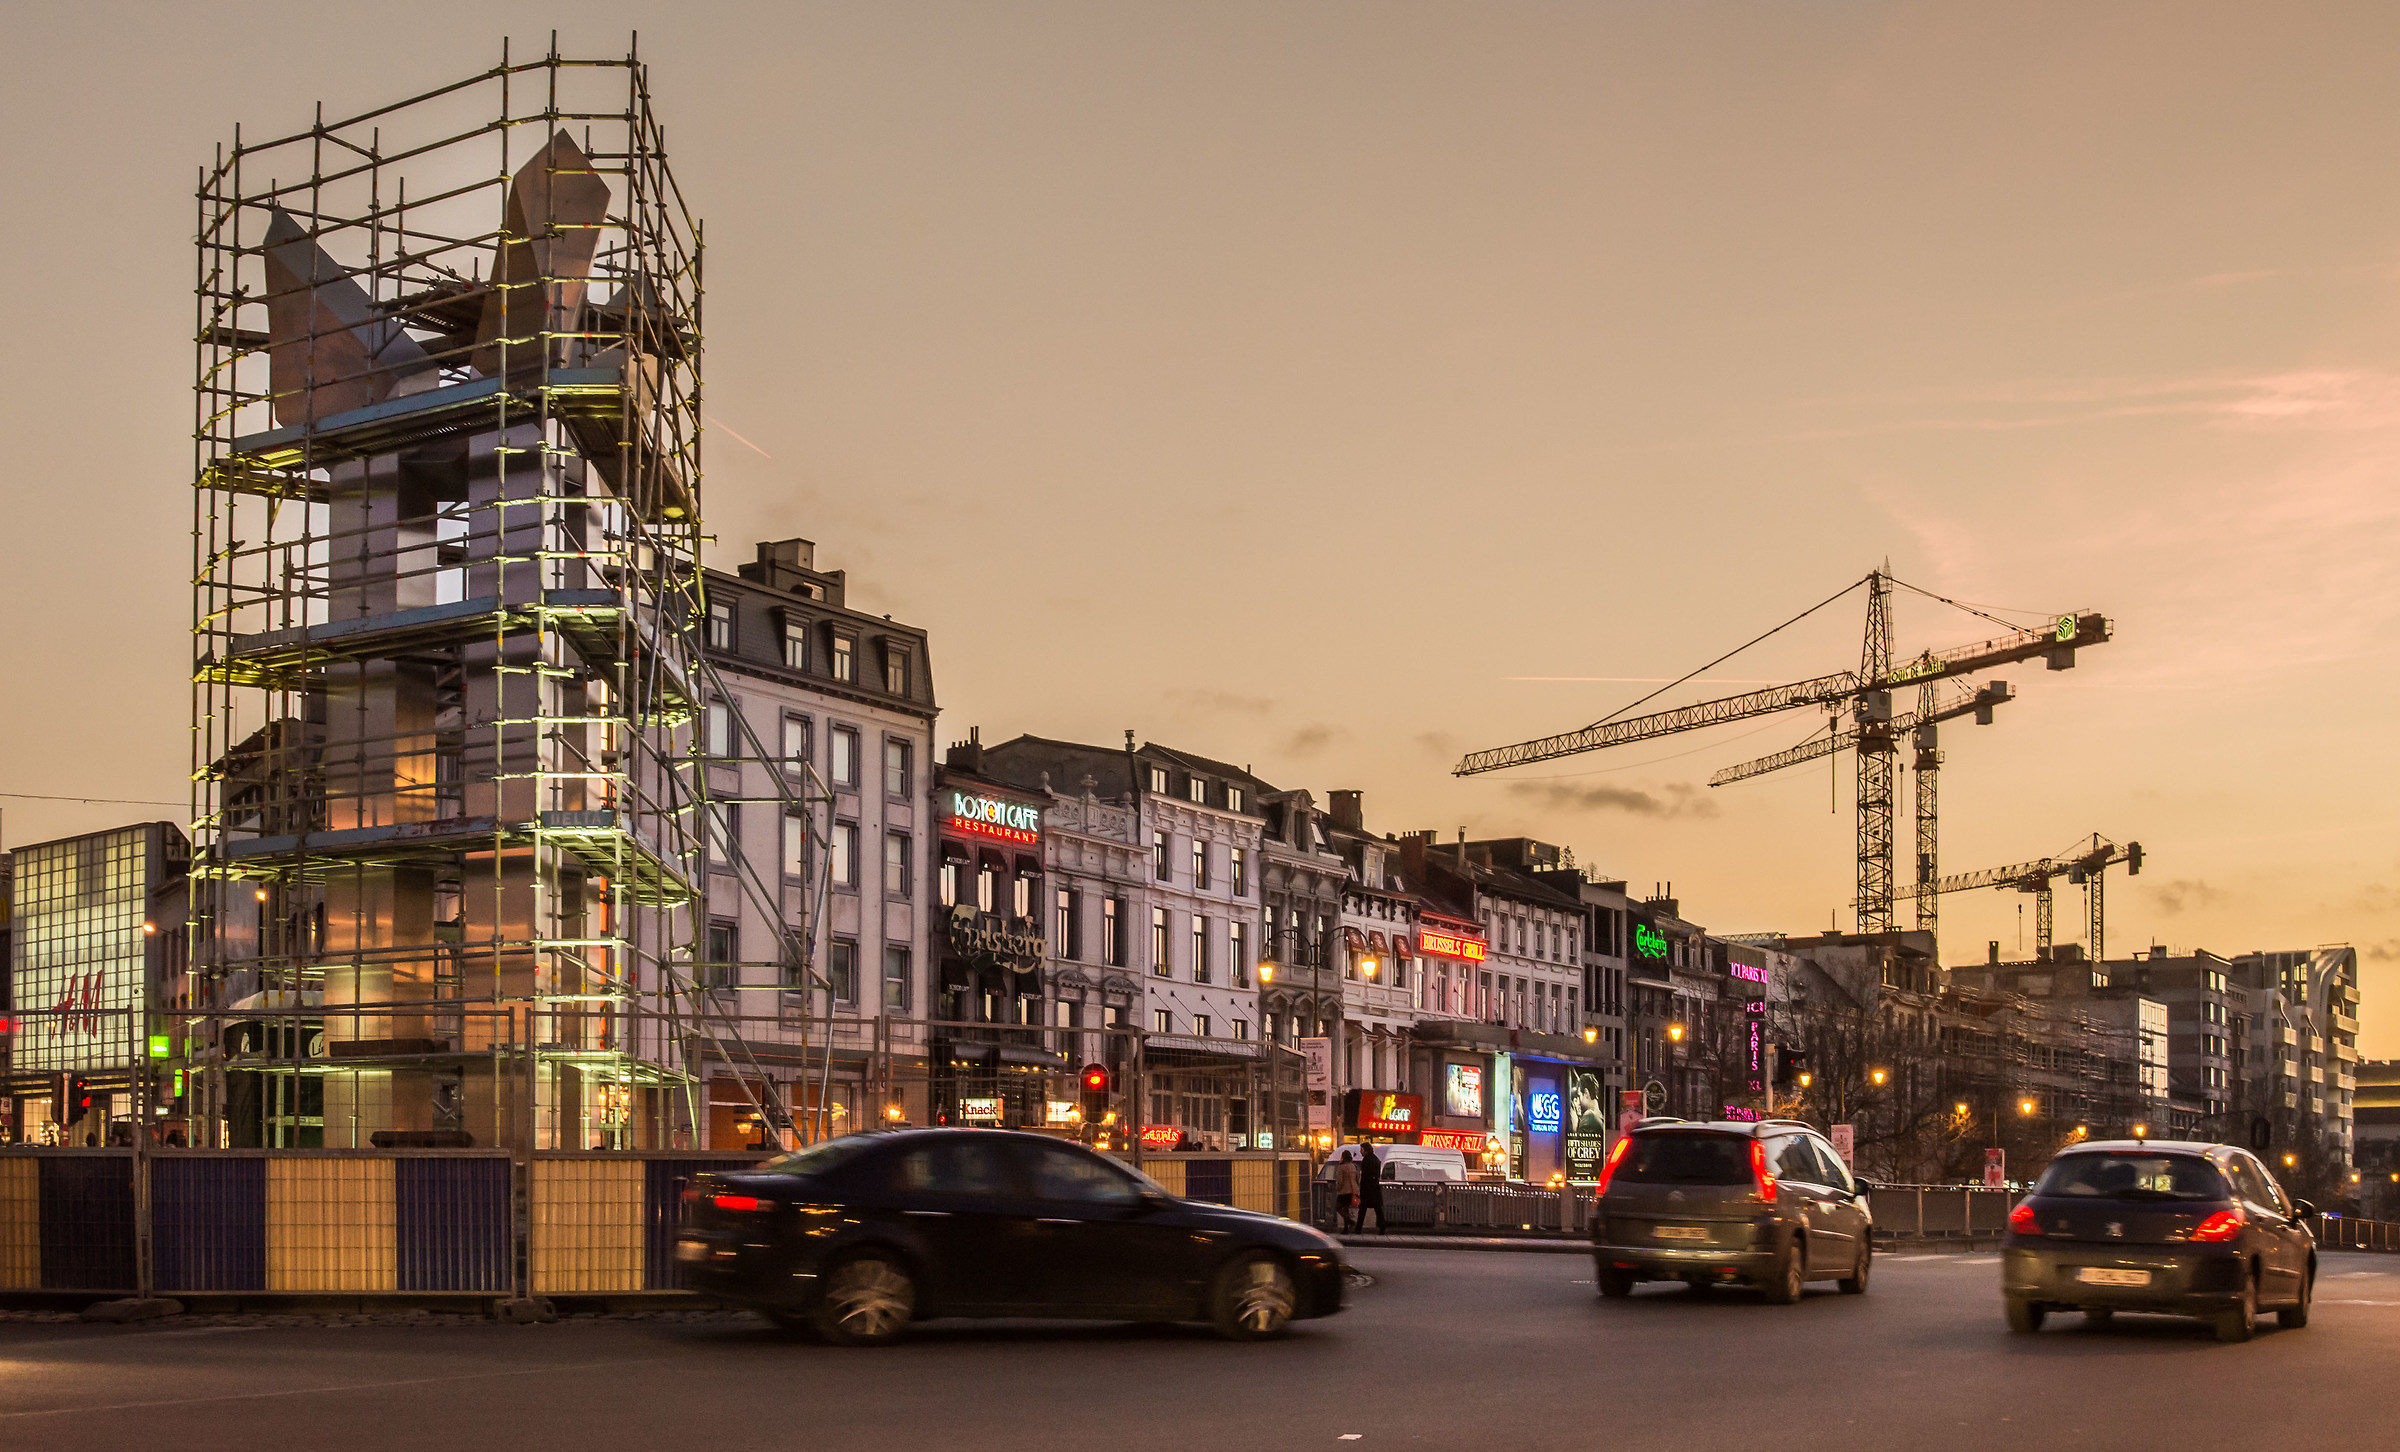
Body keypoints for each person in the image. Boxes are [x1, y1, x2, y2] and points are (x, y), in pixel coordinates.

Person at [1358, 1143, 1386, 1234]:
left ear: (1365, 1150)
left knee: (1362, 1209)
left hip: (1367, 1189)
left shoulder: (1366, 1160)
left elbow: (1364, 1176)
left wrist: (1361, 1188)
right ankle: (1382, 1227)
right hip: (1374, 1188)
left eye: (1361, 1149)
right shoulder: (1375, 1159)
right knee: (1378, 1209)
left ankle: (1358, 1228)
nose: (1360, 1151)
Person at [1332, 1149, 1361, 1233]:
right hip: (1353, 1190)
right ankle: (1346, 1227)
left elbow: (1340, 1181)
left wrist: (1337, 1188)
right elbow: (1358, 1179)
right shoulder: (1353, 1166)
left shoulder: (1341, 1167)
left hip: (1344, 1191)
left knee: (1338, 1207)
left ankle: (1349, 1222)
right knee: (1346, 1209)